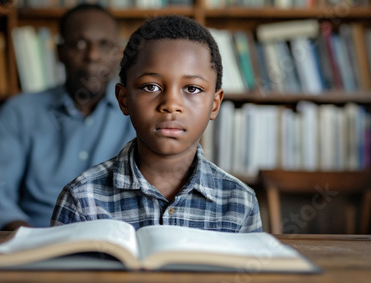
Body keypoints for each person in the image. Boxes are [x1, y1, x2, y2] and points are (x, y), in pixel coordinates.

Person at [51, 15, 262, 232]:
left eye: (192, 89)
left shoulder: (240, 203)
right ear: (124, 99)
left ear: (215, 105)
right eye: (151, 87)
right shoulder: (81, 199)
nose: (171, 104)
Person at [0, 3, 135, 230]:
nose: (92, 56)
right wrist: (26, 237)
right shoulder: (22, 112)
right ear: (59, 52)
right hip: (33, 240)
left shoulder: (138, 113)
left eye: (104, 45)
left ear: (118, 55)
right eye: (79, 44)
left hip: (113, 245)